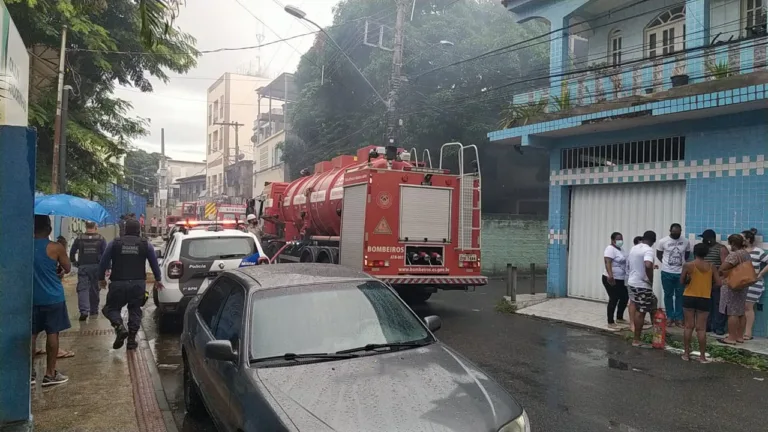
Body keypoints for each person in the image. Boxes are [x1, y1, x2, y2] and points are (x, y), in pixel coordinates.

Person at [99, 219, 163, 350]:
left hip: (118, 284)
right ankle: (132, 340)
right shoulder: (146, 245)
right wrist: (158, 278)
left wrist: (101, 278)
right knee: (135, 310)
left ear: (125, 229)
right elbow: (154, 262)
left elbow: (103, 262)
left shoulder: (114, 243)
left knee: (110, 309)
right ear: (139, 230)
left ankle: (119, 326)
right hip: (138, 285)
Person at [31, 215, 72, 386]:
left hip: (32, 298)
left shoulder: (25, 246)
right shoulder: (56, 247)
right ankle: (50, 373)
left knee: (31, 335)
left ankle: (29, 374)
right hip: (53, 298)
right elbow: (67, 268)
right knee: (52, 334)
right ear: (48, 228)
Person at [680, 243, 721, 362]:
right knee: (701, 329)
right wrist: (708, 285)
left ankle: (686, 354)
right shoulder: (711, 266)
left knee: (688, 326)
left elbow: (682, 281)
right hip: (704, 297)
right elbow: (719, 283)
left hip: (689, 296)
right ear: (706, 253)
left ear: (694, 252)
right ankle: (702, 356)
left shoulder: (688, 265)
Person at [717, 234, 752, 345]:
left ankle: (731, 337)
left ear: (732, 243)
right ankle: (739, 336)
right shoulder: (746, 253)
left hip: (732, 286)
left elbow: (723, 267)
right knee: (740, 311)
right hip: (743, 285)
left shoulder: (735, 255)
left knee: (732, 312)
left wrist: (719, 272)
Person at [69, 221, 107, 321]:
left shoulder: (79, 238)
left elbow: (72, 253)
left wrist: (75, 262)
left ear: (85, 226)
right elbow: (105, 255)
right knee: (95, 289)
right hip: (97, 268)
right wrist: (106, 268)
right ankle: (94, 310)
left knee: (83, 289)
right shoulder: (101, 239)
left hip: (83, 267)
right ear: (96, 227)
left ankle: (84, 311)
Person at [656, 223, 691, 327]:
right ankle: (670, 317)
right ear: (670, 231)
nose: (676, 234)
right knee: (668, 295)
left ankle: (679, 318)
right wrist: (667, 264)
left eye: (678, 232)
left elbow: (687, 255)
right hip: (667, 272)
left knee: (680, 295)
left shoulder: (685, 241)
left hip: (680, 273)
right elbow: (659, 255)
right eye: (674, 232)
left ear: (681, 231)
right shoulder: (662, 241)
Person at [628, 230, 658, 347]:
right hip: (642, 285)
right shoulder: (648, 250)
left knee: (653, 302)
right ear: (653, 241)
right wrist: (650, 279)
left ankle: (657, 334)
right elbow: (648, 265)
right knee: (641, 311)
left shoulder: (634, 248)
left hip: (632, 282)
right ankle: (636, 339)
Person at [699, 229, 729, 335]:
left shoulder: (721, 249)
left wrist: (719, 278)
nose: (703, 240)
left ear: (711, 239)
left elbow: (726, 265)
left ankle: (719, 327)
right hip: (704, 282)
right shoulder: (703, 249)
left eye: (705, 238)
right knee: (706, 305)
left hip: (717, 282)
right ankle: (707, 326)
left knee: (718, 305)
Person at [742, 229, 768, 340]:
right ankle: (741, 332)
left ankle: (748, 333)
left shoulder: (758, 251)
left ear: (748, 239)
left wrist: (760, 273)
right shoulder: (741, 251)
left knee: (748, 307)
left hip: (754, 283)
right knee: (742, 308)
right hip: (742, 282)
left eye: (742, 238)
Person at [602, 232, 628, 329]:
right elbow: (607, 262)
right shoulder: (610, 249)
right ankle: (610, 321)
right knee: (614, 298)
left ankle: (619, 317)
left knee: (625, 297)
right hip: (610, 278)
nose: (620, 241)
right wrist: (610, 275)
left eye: (621, 239)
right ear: (612, 240)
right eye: (618, 239)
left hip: (620, 278)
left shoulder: (621, 250)